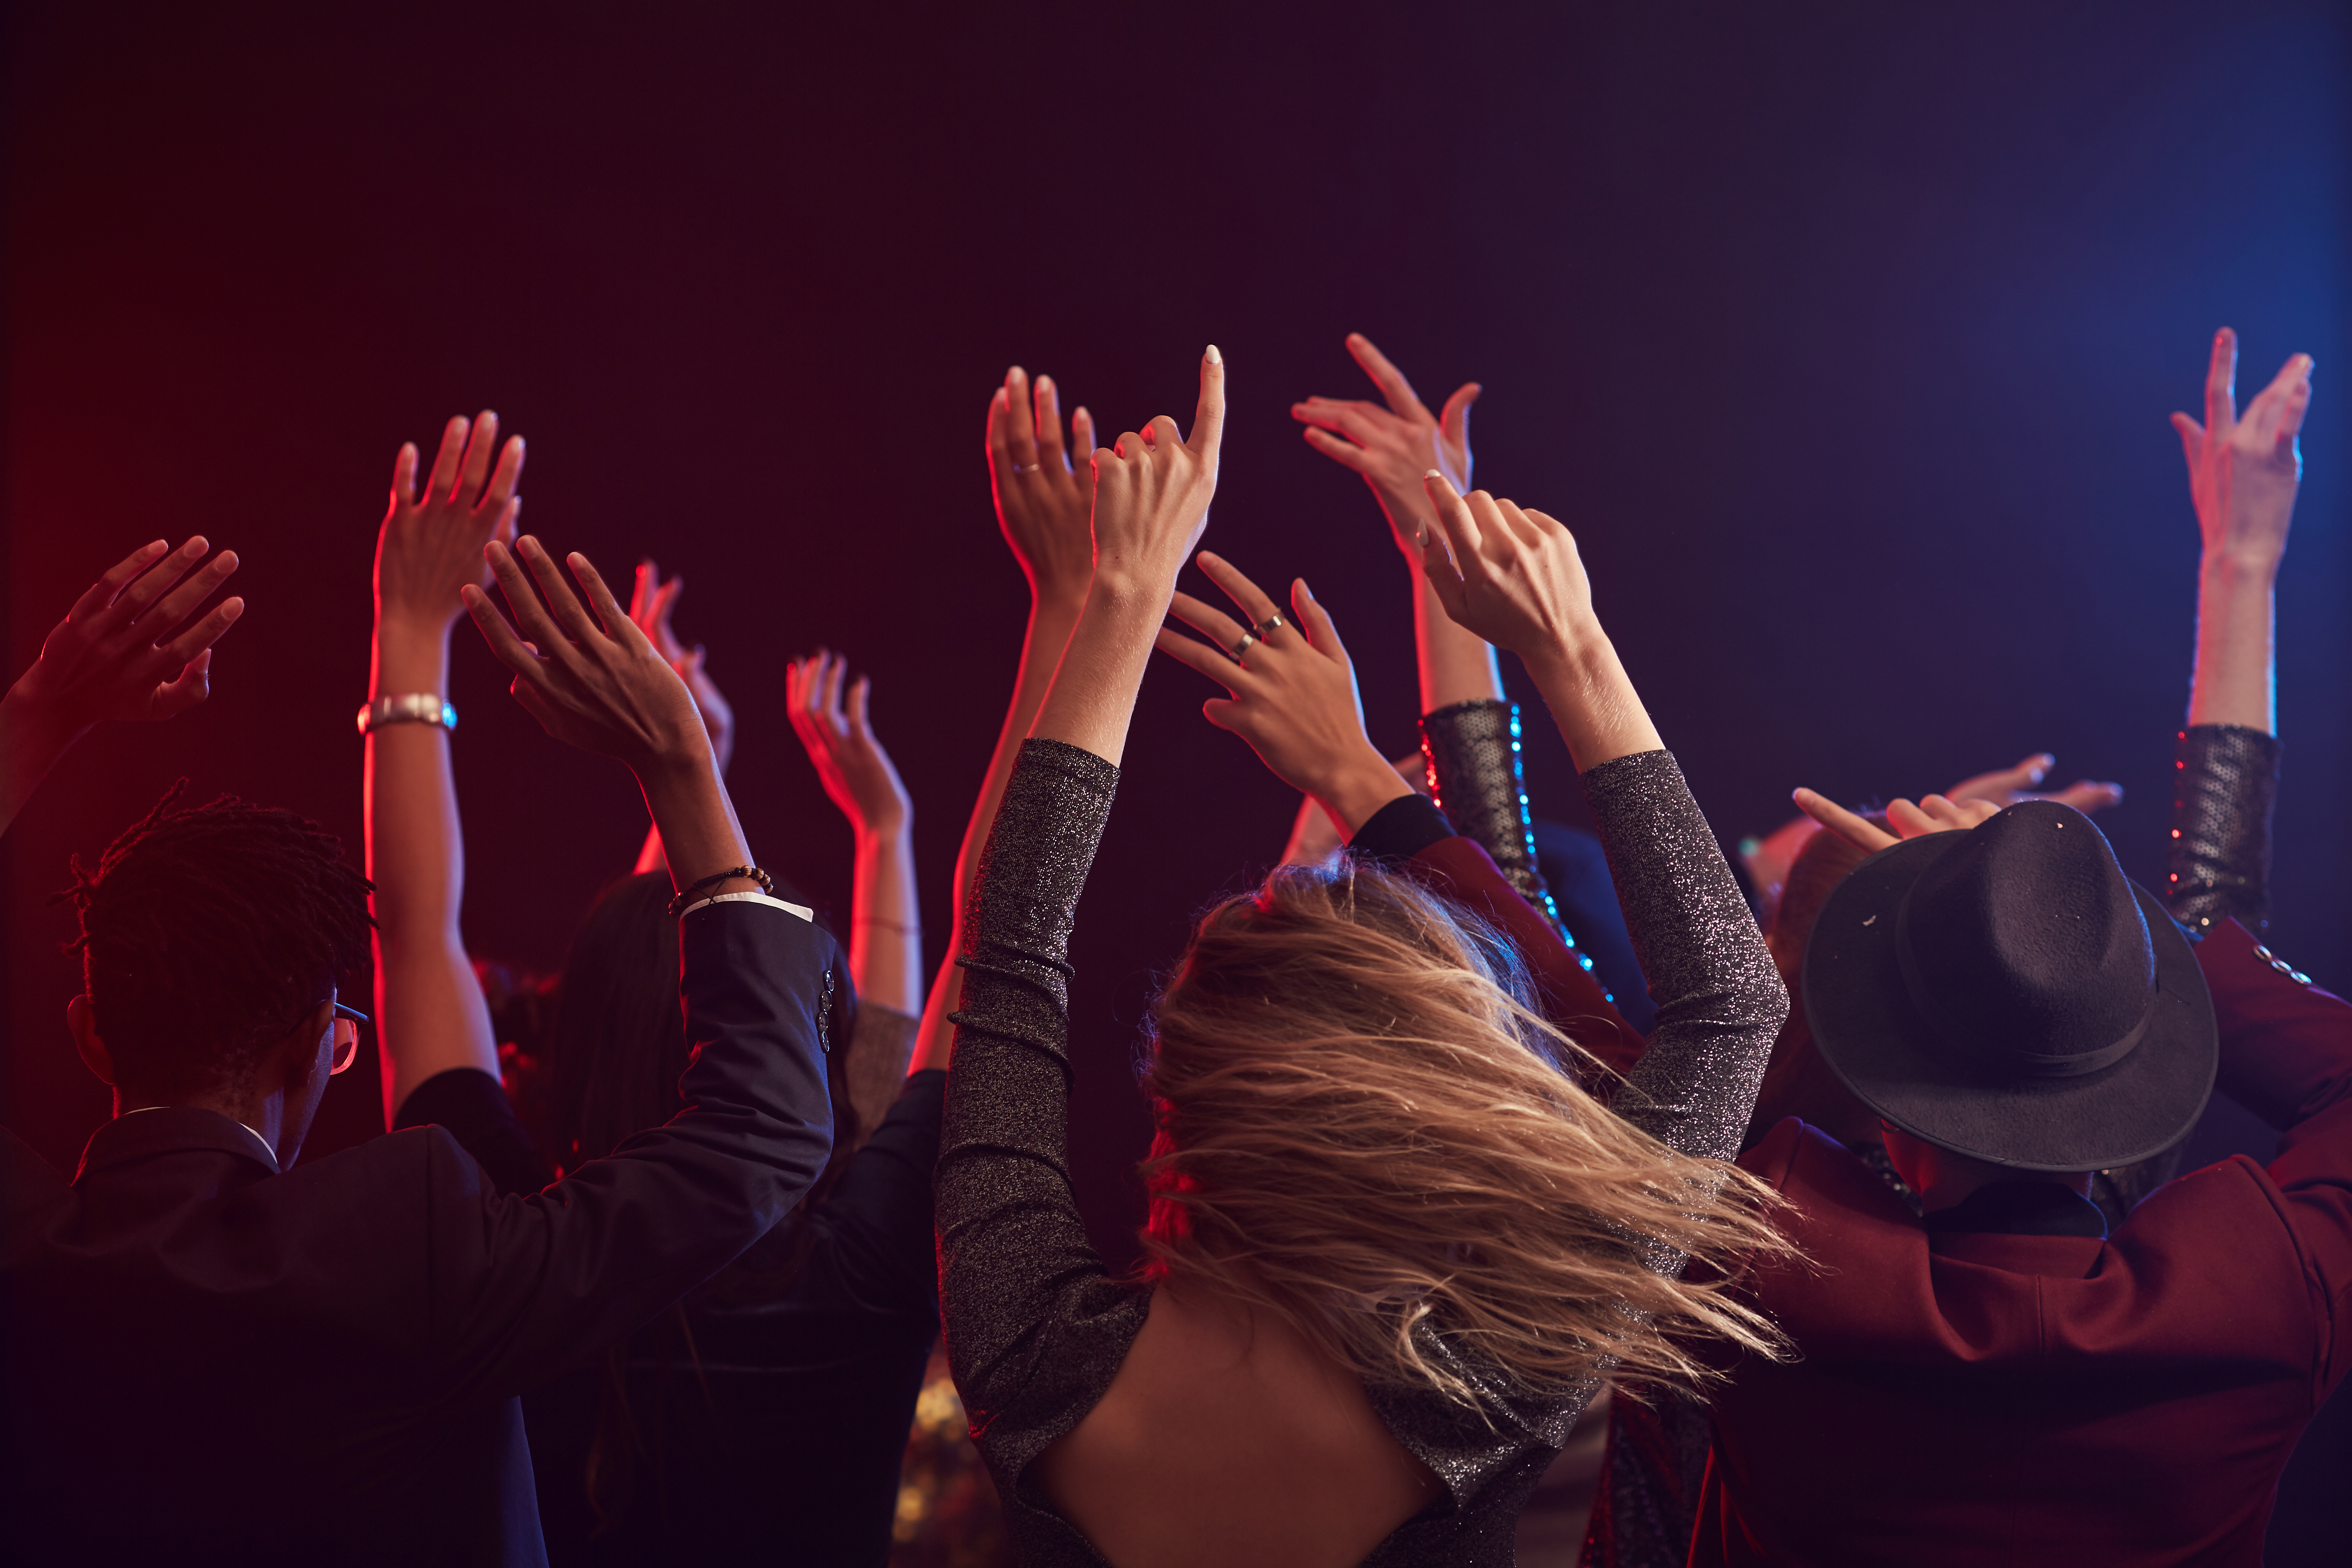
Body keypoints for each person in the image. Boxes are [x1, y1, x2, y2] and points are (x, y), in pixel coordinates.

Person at [938, 344, 1794, 1567]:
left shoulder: (1027, 1361)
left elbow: (1007, 947)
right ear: (1438, 1115)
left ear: (1175, 1080)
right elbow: (1727, 1010)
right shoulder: (1502, 1381)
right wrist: (1573, 644)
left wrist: (1113, 597)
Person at [0, 489, 837, 1565]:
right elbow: (760, 1138)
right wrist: (681, 759)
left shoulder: (21, 1251)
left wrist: (37, 710)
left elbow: (758, 1131)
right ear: (321, 1042)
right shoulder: (409, 1252)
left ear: (91, 1034)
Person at [1692, 330, 2340, 1566]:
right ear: (2125, 1062)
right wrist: (2113, 928)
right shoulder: (2253, 1305)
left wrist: (1800, 901)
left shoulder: (1749, 1275)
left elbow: (1616, 1046)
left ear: (1881, 1092)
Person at [356, 417, 935, 1566]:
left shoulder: (510, 1263)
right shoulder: (859, 1276)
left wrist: (409, 627)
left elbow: (418, 937)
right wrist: (877, 824)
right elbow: (885, 1026)